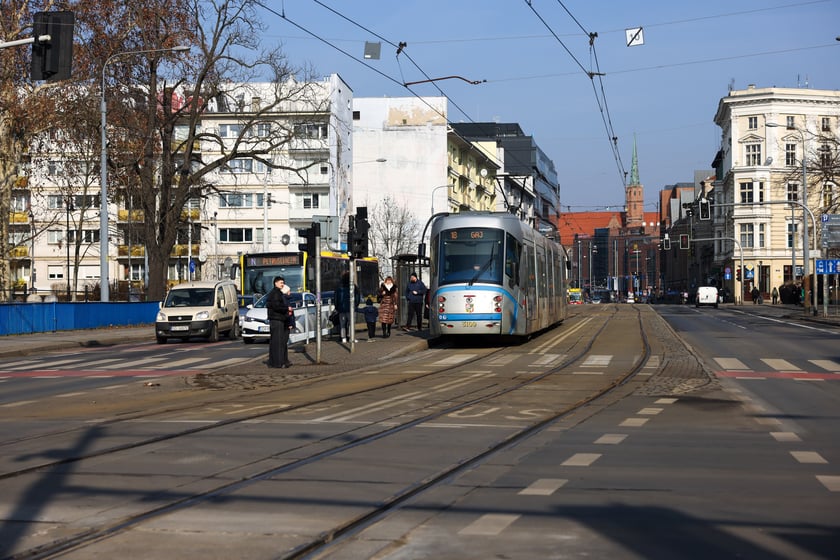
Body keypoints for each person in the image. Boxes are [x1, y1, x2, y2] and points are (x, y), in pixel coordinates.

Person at [266, 276, 292, 368]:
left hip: (277, 319)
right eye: (281, 283)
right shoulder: (276, 293)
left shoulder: (276, 293)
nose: (282, 284)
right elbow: (276, 306)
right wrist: (287, 308)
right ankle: (278, 363)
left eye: (283, 283)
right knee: (278, 342)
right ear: (276, 283)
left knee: (276, 342)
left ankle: (275, 362)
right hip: (277, 319)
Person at [335, 271, 361, 343]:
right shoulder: (353, 286)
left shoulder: (339, 287)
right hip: (351, 308)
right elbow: (357, 297)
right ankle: (351, 337)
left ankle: (343, 337)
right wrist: (355, 305)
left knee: (342, 324)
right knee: (351, 323)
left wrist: (337, 307)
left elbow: (336, 298)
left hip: (341, 308)